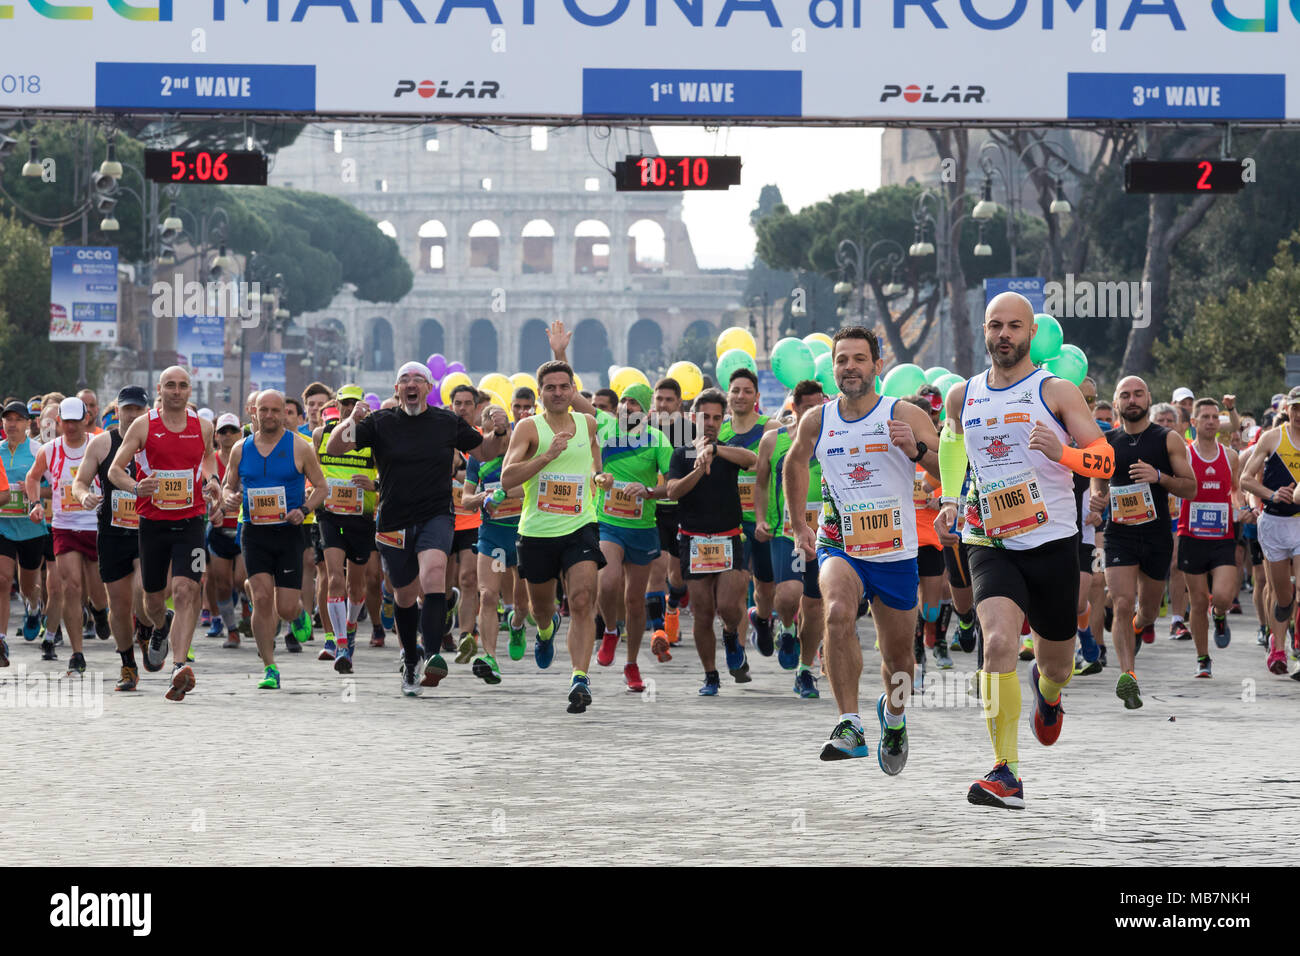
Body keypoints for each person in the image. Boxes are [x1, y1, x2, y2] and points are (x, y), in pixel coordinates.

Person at [934, 293, 1113, 809]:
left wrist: (1066, 453)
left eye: (1015, 326)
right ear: (984, 331)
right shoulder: (962, 395)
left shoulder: (1055, 391)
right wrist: (949, 499)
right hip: (989, 538)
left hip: (1053, 542)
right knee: (997, 646)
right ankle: (1004, 770)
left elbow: (1104, 462)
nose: (1004, 334)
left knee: (1057, 665)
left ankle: (1050, 695)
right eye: (995, 326)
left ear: (1031, 333)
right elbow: (953, 445)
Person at [784, 328, 940, 771]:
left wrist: (917, 448)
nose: (849, 366)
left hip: (895, 553)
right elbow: (794, 461)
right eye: (841, 360)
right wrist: (799, 526)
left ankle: (893, 717)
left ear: (877, 366)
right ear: (832, 367)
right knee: (834, 611)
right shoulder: (818, 419)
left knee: (899, 661)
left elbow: (949, 464)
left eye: (859, 359)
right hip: (840, 544)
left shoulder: (904, 413)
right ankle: (848, 723)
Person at [327, 362, 509, 697]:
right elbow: (335, 447)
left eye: (418, 380)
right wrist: (352, 419)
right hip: (394, 519)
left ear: (428, 388)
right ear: (397, 390)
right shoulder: (379, 422)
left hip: (436, 515)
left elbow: (484, 451)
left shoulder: (446, 422)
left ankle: (435, 651)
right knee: (405, 594)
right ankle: (411, 658)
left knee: (435, 573)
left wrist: (499, 432)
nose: (411, 385)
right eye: (404, 380)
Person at [501, 359, 612, 713]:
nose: (558, 393)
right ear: (540, 394)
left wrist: (599, 478)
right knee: (541, 609)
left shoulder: (588, 424)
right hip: (537, 531)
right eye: (551, 387)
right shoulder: (528, 428)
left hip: (581, 525)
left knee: (582, 600)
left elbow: (594, 460)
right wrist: (548, 455)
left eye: (564, 386)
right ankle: (546, 630)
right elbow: (507, 478)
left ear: (573, 390)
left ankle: (580, 677)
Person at [108, 366, 221, 702]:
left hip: (191, 523)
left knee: (187, 588)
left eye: (182, 386)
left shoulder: (202, 425)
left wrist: (212, 481)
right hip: (153, 523)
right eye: (170, 385)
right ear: (159, 389)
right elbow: (116, 468)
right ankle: (160, 626)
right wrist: (135, 486)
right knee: (153, 600)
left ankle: (179, 666)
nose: (176, 391)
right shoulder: (144, 425)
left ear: (190, 391)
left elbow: (209, 458)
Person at [1090, 377, 1196, 710]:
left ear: (1149, 398)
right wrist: (1097, 498)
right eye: (1125, 395)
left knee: (1147, 611)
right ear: (1116, 402)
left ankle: (1137, 627)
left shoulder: (1168, 439)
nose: (1132, 399)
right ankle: (1128, 677)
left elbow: (1190, 488)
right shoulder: (1106, 441)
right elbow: (1098, 478)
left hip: (1156, 536)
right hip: (1119, 533)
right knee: (1122, 601)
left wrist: (1159, 477)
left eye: (1138, 394)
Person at [222, 390, 328, 690]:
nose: (268, 416)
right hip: (254, 531)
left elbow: (321, 487)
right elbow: (230, 487)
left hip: (289, 532)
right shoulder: (241, 449)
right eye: (262, 410)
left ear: (284, 413)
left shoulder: (300, 447)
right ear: (253, 412)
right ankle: (270, 667)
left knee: (285, 607)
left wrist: (304, 510)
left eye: (274, 410)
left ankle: (297, 615)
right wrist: (229, 499)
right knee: (262, 598)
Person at [581, 381, 672, 692]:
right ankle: (608, 630)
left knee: (635, 601)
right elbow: (574, 401)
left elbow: (672, 486)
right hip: (607, 522)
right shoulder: (605, 428)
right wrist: (560, 355)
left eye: (635, 403)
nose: (628, 407)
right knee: (607, 582)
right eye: (625, 401)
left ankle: (631, 663)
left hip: (643, 528)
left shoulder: (658, 440)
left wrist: (648, 491)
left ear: (645, 411)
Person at [665, 388, 757, 695]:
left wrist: (716, 452)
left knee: (730, 607)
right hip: (694, 542)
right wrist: (698, 470)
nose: (712, 423)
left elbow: (752, 460)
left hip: (729, 538)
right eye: (706, 417)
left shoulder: (728, 451)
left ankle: (732, 635)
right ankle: (710, 675)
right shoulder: (681, 454)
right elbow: (673, 491)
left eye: (718, 417)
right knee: (703, 613)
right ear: (694, 418)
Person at [72, 386, 151, 691]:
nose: (131, 415)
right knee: (118, 606)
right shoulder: (102, 444)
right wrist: (84, 496)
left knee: (145, 589)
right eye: (126, 409)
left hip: (147, 531)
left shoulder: (153, 442)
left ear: (146, 411)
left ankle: (145, 627)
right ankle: (128, 665)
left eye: (137, 410)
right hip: (112, 532)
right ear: (116, 411)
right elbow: (80, 481)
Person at [753, 378, 826, 698]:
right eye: (809, 408)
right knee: (787, 596)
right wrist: (759, 518)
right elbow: (760, 483)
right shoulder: (773, 441)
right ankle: (785, 628)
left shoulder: (833, 438)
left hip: (827, 534)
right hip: (787, 531)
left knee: (815, 605)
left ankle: (805, 671)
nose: (815, 413)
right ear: (794, 408)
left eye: (820, 407)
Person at [463, 389, 534, 683]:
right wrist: (483, 497)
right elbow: (466, 499)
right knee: (489, 595)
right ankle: (489, 657)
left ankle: (517, 626)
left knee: (520, 604)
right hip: (493, 536)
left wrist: (506, 492)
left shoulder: (524, 451)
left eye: (499, 426)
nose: (494, 433)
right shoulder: (477, 459)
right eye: (488, 426)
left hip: (524, 533)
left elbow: (534, 488)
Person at [312, 385, 378, 673]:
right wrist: (313, 493)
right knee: (334, 577)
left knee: (356, 585)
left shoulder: (373, 439)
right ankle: (340, 644)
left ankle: (350, 628)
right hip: (329, 515)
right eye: (344, 404)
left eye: (355, 403)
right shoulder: (321, 435)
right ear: (336, 406)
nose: (350, 408)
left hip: (361, 517)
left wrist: (375, 486)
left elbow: (390, 474)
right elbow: (312, 472)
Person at [1176, 397, 1243, 679]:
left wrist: (1241, 508)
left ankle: (1220, 615)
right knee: (1199, 601)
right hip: (1191, 535)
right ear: (1194, 422)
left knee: (1224, 598)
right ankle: (1203, 659)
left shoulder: (1230, 456)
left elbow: (1236, 490)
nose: (1211, 421)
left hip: (1222, 535)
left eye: (1215, 417)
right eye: (1205, 417)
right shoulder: (1185, 455)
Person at [1238, 385, 1300, 678]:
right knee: (1283, 596)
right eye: (1296, 408)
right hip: (1274, 523)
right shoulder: (1274, 438)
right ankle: (1277, 645)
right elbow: (1246, 479)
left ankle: (1295, 647)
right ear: (1286, 410)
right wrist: (1272, 494)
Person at [718, 368, 781, 656]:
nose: (740, 396)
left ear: (756, 396)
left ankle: (763, 618)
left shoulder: (772, 429)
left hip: (766, 521)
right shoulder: (719, 431)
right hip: (731, 521)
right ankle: (738, 653)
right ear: (727, 395)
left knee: (765, 588)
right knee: (737, 585)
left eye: (746, 391)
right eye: (735, 391)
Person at [648, 377, 694, 647]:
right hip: (653, 509)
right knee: (656, 571)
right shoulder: (643, 431)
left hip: (681, 509)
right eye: (659, 399)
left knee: (677, 577)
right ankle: (659, 631)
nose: (663, 404)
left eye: (669, 400)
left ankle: (673, 606)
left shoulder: (691, 431)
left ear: (678, 403)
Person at [0, 400, 47, 653]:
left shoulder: (40, 450)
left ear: (29, 423)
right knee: (2, 579)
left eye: (18, 419)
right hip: (3, 525)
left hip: (31, 528)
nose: (12, 424)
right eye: (8, 419)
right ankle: (1, 639)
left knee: (29, 585)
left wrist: (32, 492)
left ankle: (34, 607)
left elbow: (54, 488)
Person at [447, 383, 484, 662]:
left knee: (469, 578)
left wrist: (461, 471)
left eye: (467, 403)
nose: (462, 408)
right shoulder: (439, 437)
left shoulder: (484, 442)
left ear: (476, 407)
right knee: (440, 583)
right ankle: (444, 616)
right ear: (451, 407)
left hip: (472, 519)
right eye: (457, 403)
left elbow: (491, 477)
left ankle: (466, 635)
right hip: (442, 517)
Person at [206, 413, 245, 648]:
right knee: (221, 583)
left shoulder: (247, 456)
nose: (228, 435)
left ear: (240, 433)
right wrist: (211, 506)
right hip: (219, 531)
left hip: (242, 528)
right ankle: (231, 629)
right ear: (216, 435)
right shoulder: (210, 461)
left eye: (232, 430)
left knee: (241, 579)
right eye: (223, 431)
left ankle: (247, 603)